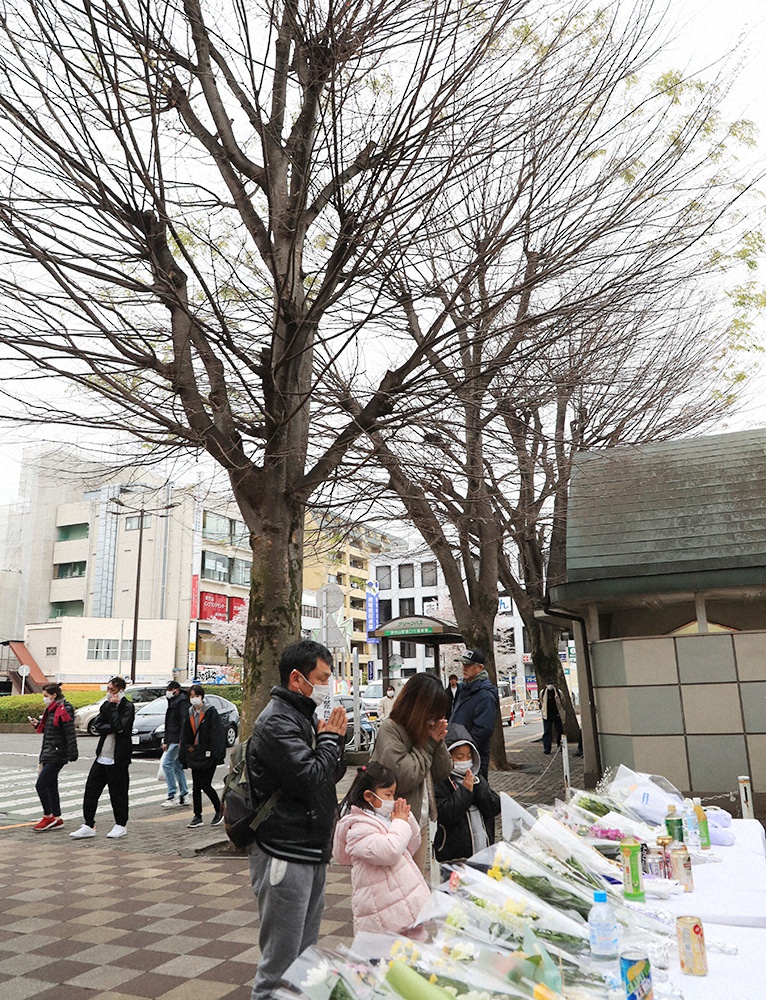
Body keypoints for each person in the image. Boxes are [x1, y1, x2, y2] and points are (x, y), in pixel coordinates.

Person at [246, 640, 347, 1000]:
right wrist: (331, 741)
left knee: (304, 959)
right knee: (280, 963)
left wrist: (332, 743)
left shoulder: (301, 716)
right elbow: (308, 778)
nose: (326, 686)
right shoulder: (277, 721)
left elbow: (326, 775)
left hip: (309, 847)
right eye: (321, 678)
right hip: (284, 850)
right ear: (296, 678)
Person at [333, 761, 430, 935]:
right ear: (369, 796)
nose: (391, 800)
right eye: (387, 794)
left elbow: (410, 845)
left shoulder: (383, 818)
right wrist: (399, 822)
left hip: (399, 906)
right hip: (380, 912)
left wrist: (405, 818)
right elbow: (390, 852)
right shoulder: (358, 827)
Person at [371, 671, 452, 873]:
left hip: (420, 822)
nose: (434, 719)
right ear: (419, 706)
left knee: (416, 884)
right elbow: (405, 777)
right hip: (394, 825)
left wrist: (438, 741)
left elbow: (443, 771)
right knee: (399, 888)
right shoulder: (390, 729)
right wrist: (429, 743)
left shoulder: (425, 729)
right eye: (432, 712)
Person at [70, 676, 135, 840]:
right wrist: (111, 725)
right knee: (91, 790)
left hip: (118, 758)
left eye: (112, 690)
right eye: (108, 689)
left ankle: (121, 824)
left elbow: (121, 726)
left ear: (120, 690)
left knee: (118, 793)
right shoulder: (106, 705)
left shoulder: (127, 707)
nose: (109, 693)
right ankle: (88, 824)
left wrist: (114, 710)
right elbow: (98, 725)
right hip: (102, 756)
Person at [433, 724, 500, 865]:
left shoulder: (477, 778)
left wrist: (477, 787)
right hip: (455, 858)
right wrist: (465, 791)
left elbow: (493, 807)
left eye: (469, 756)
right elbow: (448, 813)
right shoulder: (441, 782)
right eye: (459, 757)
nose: (465, 762)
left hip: (484, 853)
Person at [30, 683, 78, 831]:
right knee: (51, 785)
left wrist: (72, 752)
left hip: (57, 753)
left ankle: (48, 816)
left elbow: (70, 732)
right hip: (49, 750)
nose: (45, 699)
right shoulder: (52, 709)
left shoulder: (64, 709)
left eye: (46, 696)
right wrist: (38, 724)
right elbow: (52, 729)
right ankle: (57, 818)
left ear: (54, 695)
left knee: (41, 784)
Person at [179, 684, 226, 828]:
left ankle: (219, 810)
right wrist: (184, 754)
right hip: (195, 753)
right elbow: (185, 734)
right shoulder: (189, 713)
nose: (194, 699)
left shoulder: (210, 712)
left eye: (196, 696)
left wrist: (217, 754)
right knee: (196, 786)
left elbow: (217, 734)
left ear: (202, 697)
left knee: (205, 784)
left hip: (208, 754)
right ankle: (197, 816)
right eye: (192, 697)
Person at [449, 650, 499, 778]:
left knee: (475, 791)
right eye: (463, 665)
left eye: (468, 665)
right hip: (458, 752)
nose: (464, 668)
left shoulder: (485, 695)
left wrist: (465, 747)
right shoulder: (465, 690)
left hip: (473, 755)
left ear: (480, 667)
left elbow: (483, 729)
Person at [161, 680, 190, 808]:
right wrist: (166, 740)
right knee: (177, 766)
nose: (168, 692)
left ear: (176, 690)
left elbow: (184, 722)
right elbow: (169, 723)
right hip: (173, 738)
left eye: (170, 689)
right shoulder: (173, 701)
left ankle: (172, 795)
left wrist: (181, 740)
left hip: (178, 739)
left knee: (167, 764)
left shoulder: (182, 702)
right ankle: (184, 794)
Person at [541, 683, 565, 755]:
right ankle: (547, 748)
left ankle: (561, 746)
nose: (550, 686)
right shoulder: (542, 693)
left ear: (555, 684)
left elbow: (563, 702)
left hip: (557, 714)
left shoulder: (559, 692)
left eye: (551, 684)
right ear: (545, 685)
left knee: (560, 731)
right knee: (547, 731)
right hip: (547, 715)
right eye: (548, 684)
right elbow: (542, 702)